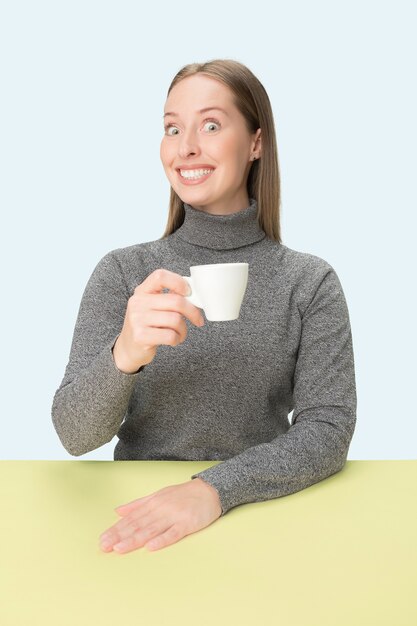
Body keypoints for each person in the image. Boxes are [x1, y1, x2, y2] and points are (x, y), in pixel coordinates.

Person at [51, 59, 357, 554]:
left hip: (264, 514)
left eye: (211, 125)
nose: (186, 146)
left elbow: (328, 430)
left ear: (256, 143)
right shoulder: (124, 273)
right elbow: (73, 433)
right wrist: (125, 353)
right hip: (137, 518)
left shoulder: (310, 282)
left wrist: (213, 489)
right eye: (173, 128)